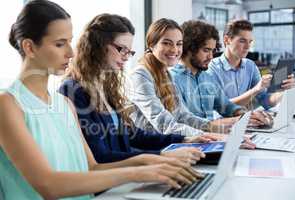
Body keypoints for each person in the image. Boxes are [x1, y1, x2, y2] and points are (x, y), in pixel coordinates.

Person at [0, 1, 200, 199]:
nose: (70, 52)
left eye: (70, 42)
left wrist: (154, 160)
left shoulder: (63, 103)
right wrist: (142, 169)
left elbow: (93, 167)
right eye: (60, 44)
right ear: (29, 47)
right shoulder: (8, 104)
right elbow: (48, 185)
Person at [59, 14, 211, 165]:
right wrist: (163, 156)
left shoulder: (107, 86)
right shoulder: (73, 90)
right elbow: (100, 157)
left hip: (127, 176)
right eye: (121, 49)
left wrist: (184, 139)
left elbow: (133, 136)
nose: (126, 57)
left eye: (129, 52)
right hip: (112, 182)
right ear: (98, 45)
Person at [126, 18, 227, 135]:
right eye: (166, 43)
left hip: (166, 143)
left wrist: (218, 129)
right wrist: (210, 135)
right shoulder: (140, 75)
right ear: (151, 44)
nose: (174, 49)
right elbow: (164, 124)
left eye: (179, 44)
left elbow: (182, 115)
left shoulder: (165, 73)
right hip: (150, 148)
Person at [170, 20, 269, 128]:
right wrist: (237, 120)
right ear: (189, 48)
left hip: (212, 137)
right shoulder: (171, 80)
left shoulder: (206, 77)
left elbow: (226, 106)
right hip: (190, 141)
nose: (211, 57)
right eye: (206, 50)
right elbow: (184, 120)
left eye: (212, 51)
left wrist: (248, 115)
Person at [207, 19, 295, 109]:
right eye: (242, 41)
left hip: (246, 120)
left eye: (250, 41)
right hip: (223, 122)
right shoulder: (212, 69)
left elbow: (265, 100)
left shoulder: (250, 66)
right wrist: (257, 88)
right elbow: (221, 107)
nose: (248, 47)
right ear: (227, 40)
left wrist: (283, 92)